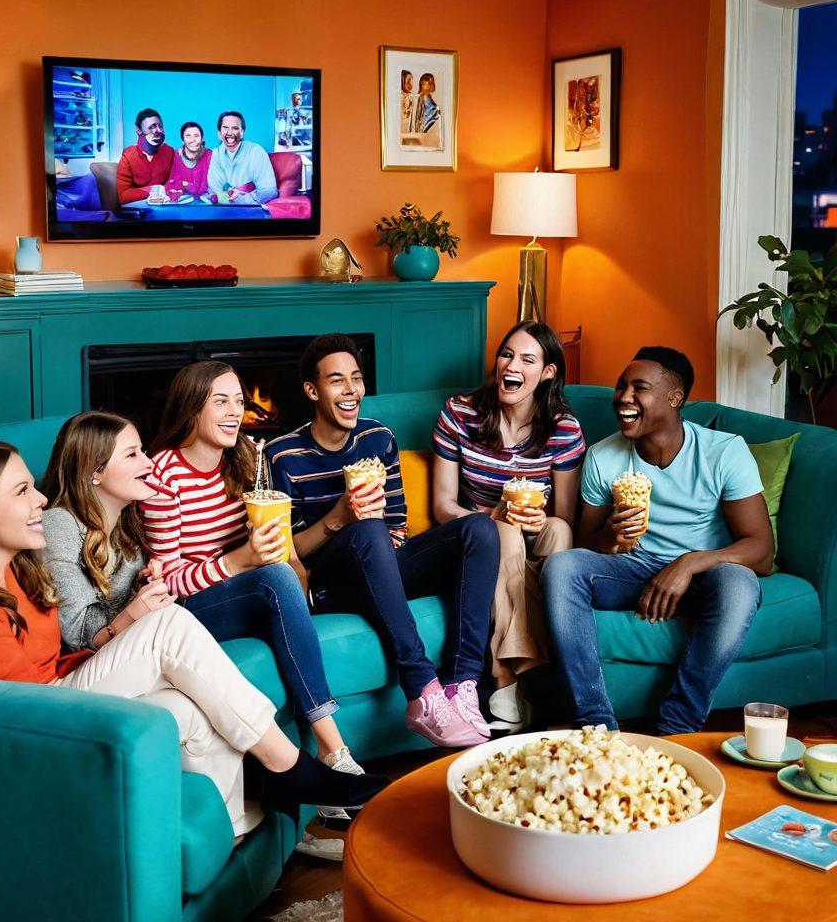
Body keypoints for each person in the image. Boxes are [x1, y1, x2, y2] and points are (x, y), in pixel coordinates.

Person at [0, 438, 388, 843]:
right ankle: (288, 766)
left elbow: (63, 653)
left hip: (64, 691)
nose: (40, 498)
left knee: (186, 709)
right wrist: (129, 627)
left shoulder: (20, 572)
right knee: (168, 625)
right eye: (22, 491)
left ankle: (232, 833)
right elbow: (19, 716)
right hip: (46, 725)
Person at [139, 360, 367, 855]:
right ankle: (334, 751)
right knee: (275, 582)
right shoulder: (162, 476)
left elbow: (269, 540)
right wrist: (239, 560)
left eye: (239, 401)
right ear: (191, 408)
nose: (234, 411)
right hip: (188, 612)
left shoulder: (245, 456)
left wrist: (272, 548)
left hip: (242, 589)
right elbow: (169, 583)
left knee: (282, 587)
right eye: (220, 401)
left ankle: (308, 801)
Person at [266, 333, 501, 748]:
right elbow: (289, 552)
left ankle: (461, 685)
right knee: (368, 529)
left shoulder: (378, 438)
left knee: (479, 529)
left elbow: (396, 528)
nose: (350, 390)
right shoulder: (282, 455)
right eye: (336, 380)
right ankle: (421, 688)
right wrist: (340, 517)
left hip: (381, 564)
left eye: (356, 378)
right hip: (329, 582)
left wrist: (379, 552)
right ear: (312, 391)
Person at [542, 346, 774, 735]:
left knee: (740, 583)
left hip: (705, 577)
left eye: (639, 388)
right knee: (561, 566)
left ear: (674, 398)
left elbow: (762, 550)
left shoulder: (723, 452)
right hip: (633, 568)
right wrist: (611, 538)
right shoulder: (603, 456)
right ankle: (596, 726)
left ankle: (678, 725)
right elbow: (584, 542)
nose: (624, 397)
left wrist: (689, 563)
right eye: (621, 387)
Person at [432, 321, 585, 730]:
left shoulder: (563, 428)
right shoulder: (460, 412)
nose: (511, 366)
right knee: (502, 532)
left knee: (561, 532)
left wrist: (540, 520)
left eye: (527, 360)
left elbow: (565, 517)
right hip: (477, 537)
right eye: (506, 354)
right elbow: (443, 507)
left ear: (547, 372)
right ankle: (524, 676)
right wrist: (493, 517)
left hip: (536, 534)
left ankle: (512, 682)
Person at [207, 111, 278, 205]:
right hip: (219, 209)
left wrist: (242, 199)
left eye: (235, 128)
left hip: (250, 210)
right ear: (219, 133)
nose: (230, 133)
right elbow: (212, 190)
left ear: (242, 132)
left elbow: (269, 191)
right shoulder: (213, 155)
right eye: (225, 128)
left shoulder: (256, 151)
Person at [115, 107, 175, 205]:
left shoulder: (169, 152)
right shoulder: (128, 156)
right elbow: (123, 196)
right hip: (140, 210)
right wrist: (154, 190)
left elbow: (176, 183)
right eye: (151, 127)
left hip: (166, 207)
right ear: (138, 130)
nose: (158, 131)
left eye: (160, 126)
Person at [166, 120, 212, 199]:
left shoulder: (210, 156)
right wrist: (186, 185)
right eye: (188, 136)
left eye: (196, 136)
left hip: (206, 202)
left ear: (202, 139)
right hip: (180, 203)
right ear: (182, 140)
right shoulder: (173, 157)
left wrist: (185, 184)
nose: (192, 140)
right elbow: (168, 185)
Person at [414, 73, 441, 138]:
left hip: (431, 127)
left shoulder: (430, 97)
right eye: (424, 84)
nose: (428, 86)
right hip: (424, 127)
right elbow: (418, 116)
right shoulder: (420, 98)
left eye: (430, 83)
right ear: (421, 85)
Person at [400, 70, 415, 135]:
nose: (411, 85)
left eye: (412, 81)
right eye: (408, 81)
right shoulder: (400, 96)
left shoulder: (412, 96)